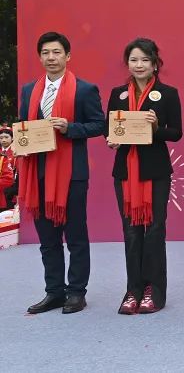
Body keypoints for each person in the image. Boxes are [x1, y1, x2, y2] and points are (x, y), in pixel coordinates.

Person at [17, 31, 106, 314]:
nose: (51, 58)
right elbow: (23, 125)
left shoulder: (84, 89)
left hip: (71, 175)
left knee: (76, 237)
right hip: (38, 172)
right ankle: (54, 292)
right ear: (40, 57)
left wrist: (70, 127)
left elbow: (99, 124)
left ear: (67, 56)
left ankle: (76, 292)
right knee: (48, 240)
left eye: (56, 52)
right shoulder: (29, 91)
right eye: (45, 53)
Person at [105, 38, 183, 314]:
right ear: (127, 63)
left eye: (145, 60)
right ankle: (133, 290)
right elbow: (108, 128)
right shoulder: (118, 94)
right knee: (131, 232)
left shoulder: (168, 93)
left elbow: (176, 133)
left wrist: (156, 127)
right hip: (125, 172)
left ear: (155, 64)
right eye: (134, 60)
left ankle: (154, 291)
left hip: (156, 171)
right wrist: (112, 140)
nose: (139, 65)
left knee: (155, 231)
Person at [0, 126, 15, 209]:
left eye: (6, 137)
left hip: (11, 187)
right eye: (1, 138)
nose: (3, 140)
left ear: (12, 138)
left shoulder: (16, 151)